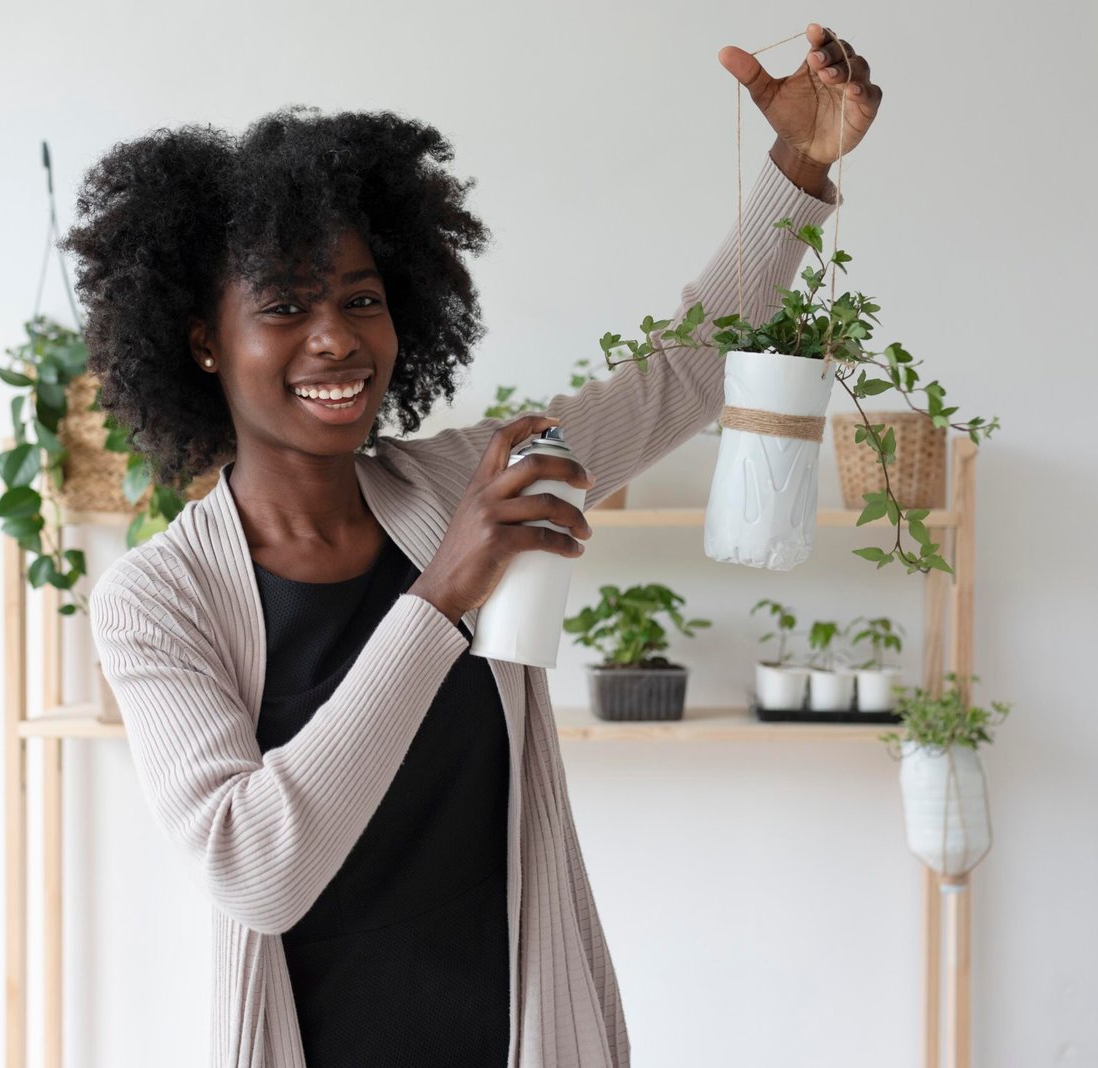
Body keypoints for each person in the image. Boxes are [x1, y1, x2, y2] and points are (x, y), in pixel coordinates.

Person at [71, 23, 881, 1067]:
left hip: (522, 1035)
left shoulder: (461, 481)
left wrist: (798, 166)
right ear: (201, 342)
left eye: (361, 299)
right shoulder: (158, 599)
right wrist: (439, 597)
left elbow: (677, 377)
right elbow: (255, 869)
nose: (335, 337)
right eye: (283, 307)